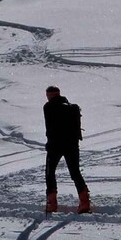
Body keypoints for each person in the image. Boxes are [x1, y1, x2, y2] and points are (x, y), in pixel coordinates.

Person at [44, 86, 90, 214]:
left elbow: (50, 127)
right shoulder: (71, 107)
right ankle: (84, 202)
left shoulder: (48, 107)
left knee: (50, 172)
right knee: (75, 172)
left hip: (55, 145)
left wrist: (49, 142)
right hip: (72, 145)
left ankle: (52, 204)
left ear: (50, 95)